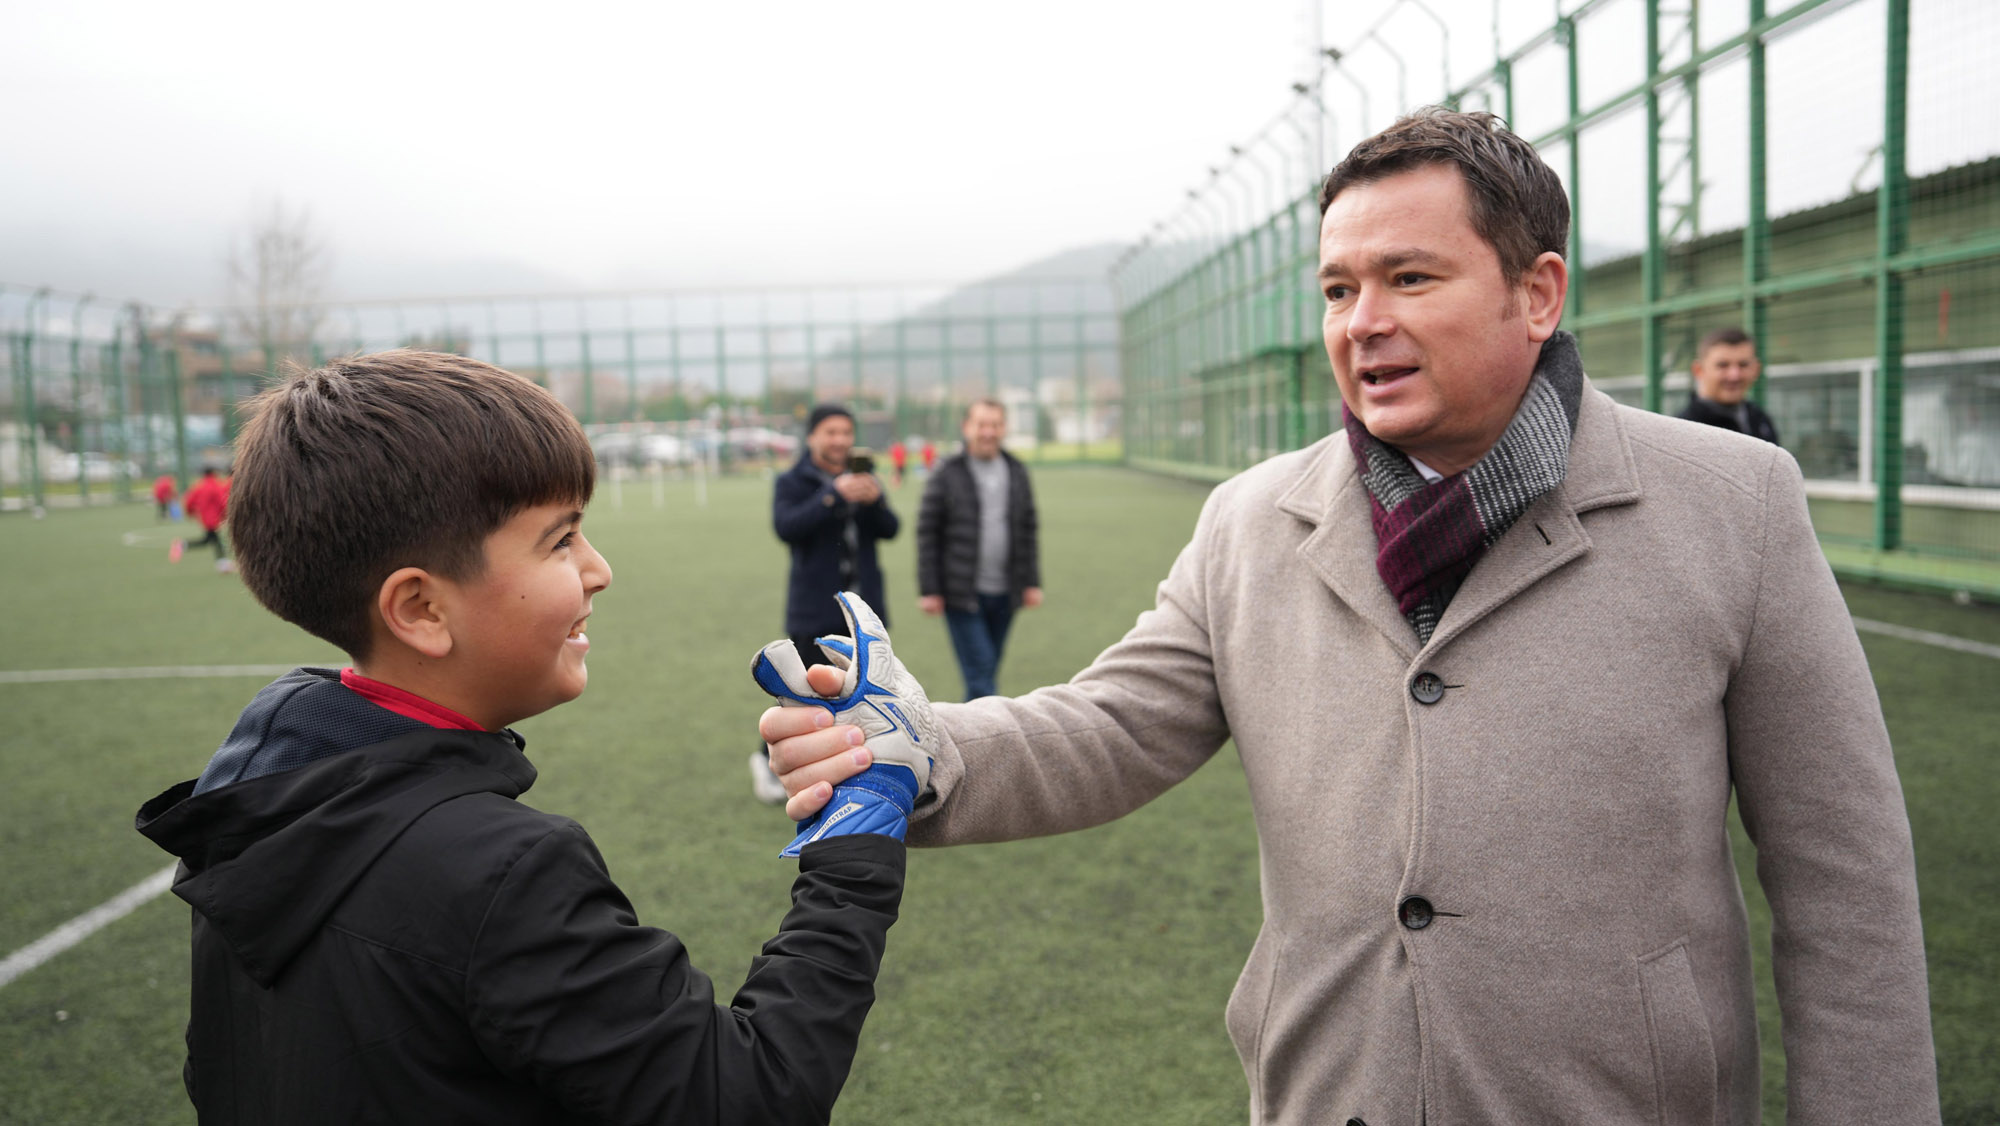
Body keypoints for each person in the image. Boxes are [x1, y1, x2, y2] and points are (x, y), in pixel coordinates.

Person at [762, 109, 1938, 1123]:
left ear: (1536, 293)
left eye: (1408, 279)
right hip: (1333, 1089)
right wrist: (924, 749)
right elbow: (1114, 725)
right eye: (1337, 288)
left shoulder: (1732, 501)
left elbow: (1843, 873)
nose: (1358, 321)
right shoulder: (1249, 520)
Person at [135, 351, 908, 1125]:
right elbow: (747, 1099)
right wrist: (856, 838)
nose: (598, 569)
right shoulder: (498, 873)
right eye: (560, 540)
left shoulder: (245, 798)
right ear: (422, 610)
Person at [753, 403, 899, 803]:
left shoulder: (863, 477)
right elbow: (787, 527)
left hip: (863, 607)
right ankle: (763, 758)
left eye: (846, 433)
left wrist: (873, 501)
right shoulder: (793, 481)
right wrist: (832, 496)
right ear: (812, 437)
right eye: (831, 432)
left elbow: (891, 529)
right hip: (813, 607)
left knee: (866, 688)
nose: (840, 440)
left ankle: (858, 763)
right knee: (800, 695)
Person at [917, 398, 1042, 699]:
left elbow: (1028, 528)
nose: (988, 432)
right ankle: (983, 742)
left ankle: (971, 737)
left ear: (1004, 428)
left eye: (995, 425)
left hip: (1006, 590)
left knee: (986, 671)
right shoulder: (947, 471)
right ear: (967, 427)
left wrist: (1032, 581)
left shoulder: (1016, 470)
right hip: (962, 592)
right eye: (982, 425)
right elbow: (927, 531)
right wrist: (929, 589)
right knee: (981, 672)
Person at [1678, 326, 1780, 443]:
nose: (1734, 375)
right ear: (1698, 370)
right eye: (1723, 365)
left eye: (1743, 365)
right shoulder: (1684, 431)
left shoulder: (1760, 420)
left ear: (1756, 369)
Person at [175, 466, 232, 572]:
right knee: (212, 540)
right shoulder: (215, 485)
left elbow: (189, 501)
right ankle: (223, 564)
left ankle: (222, 563)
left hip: (204, 518)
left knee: (212, 539)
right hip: (213, 518)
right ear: (213, 473)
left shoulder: (199, 486)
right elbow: (222, 502)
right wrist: (226, 515)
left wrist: (190, 512)